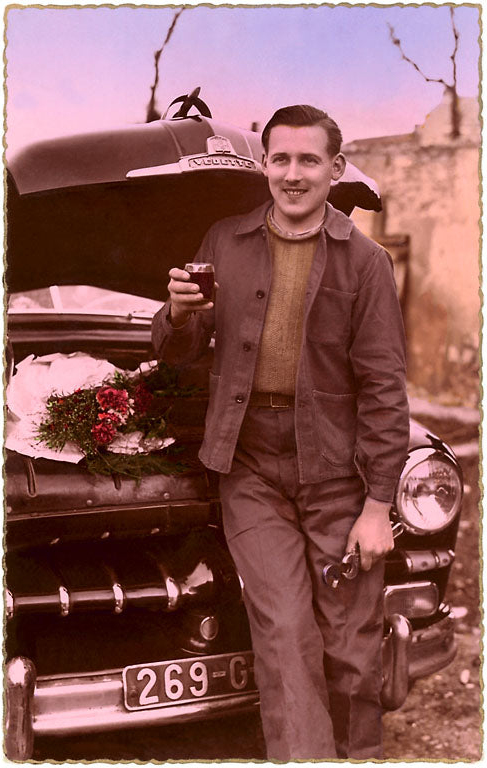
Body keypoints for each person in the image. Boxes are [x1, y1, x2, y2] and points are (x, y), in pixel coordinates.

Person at [151, 104, 409, 760]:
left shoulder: (367, 263)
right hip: (250, 467)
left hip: (338, 473)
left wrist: (378, 506)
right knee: (285, 635)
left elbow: (384, 389)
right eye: (281, 159)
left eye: (309, 160)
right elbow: (179, 354)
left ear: (335, 169)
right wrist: (177, 314)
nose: (293, 174)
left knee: (350, 644)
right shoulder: (223, 242)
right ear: (264, 164)